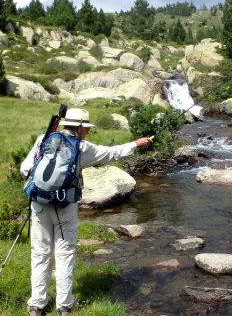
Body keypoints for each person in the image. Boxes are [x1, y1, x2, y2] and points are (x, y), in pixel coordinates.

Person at [20, 108, 152, 316]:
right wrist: (135, 144)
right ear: (80, 128)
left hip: (39, 203)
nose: (88, 132)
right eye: (87, 129)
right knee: (64, 254)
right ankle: (64, 307)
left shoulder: (43, 139)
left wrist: (43, 189)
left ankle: (37, 305)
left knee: (40, 253)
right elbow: (111, 153)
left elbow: (25, 169)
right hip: (65, 208)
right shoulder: (83, 148)